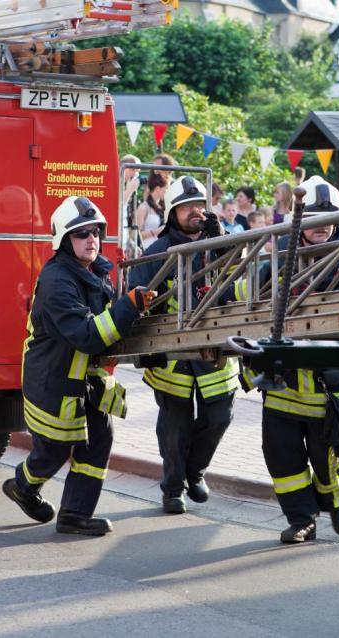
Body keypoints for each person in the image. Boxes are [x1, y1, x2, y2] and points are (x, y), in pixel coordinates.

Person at [3, 196, 156, 536]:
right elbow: (87, 335)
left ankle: (74, 515)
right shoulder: (58, 281)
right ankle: (22, 486)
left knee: (99, 438)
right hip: (53, 380)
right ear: (63, 240)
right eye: (81, 233)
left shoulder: (93, 272)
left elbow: (106, 326)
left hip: (82, 378)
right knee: (55, 449)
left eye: (95, 232)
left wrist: (137, 311)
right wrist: (127, 308)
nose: (91, 239)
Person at [246, 176, 339, 544]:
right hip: (283, 385)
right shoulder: (278, 261)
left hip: (326, 388)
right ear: (299, 219)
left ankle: (337, 504)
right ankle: (301, 519)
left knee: (330, 458)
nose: (322, 223)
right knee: (283, 458)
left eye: (329, 215)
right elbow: (251, 307)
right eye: (313, 215)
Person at [129, 176, 242, 514]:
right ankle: (173, 490)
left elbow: (242, 278)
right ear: (173, 212)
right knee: (174, 430)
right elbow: (138, 299)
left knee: (219, 416)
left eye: (200, 205)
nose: (196, 211)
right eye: (187, 206)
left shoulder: (220, 245)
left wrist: (221, 241)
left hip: (214, 355)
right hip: (172, 360)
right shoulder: (156, 253)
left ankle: (195, 472)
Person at [134, 172, 168, 249]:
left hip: (161, 249)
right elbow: (135, 235)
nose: (167, 191)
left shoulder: (162, 207)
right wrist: (156, 231)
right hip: (148, 250)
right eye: (166, 188)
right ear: (158, 188)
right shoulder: (143, 207)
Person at [121, 154, 142, 227]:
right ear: (128, 169)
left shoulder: (125, 184)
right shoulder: (114, 183)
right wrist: (129, 190)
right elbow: (118, 208)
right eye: (136, 171)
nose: (137, 175)